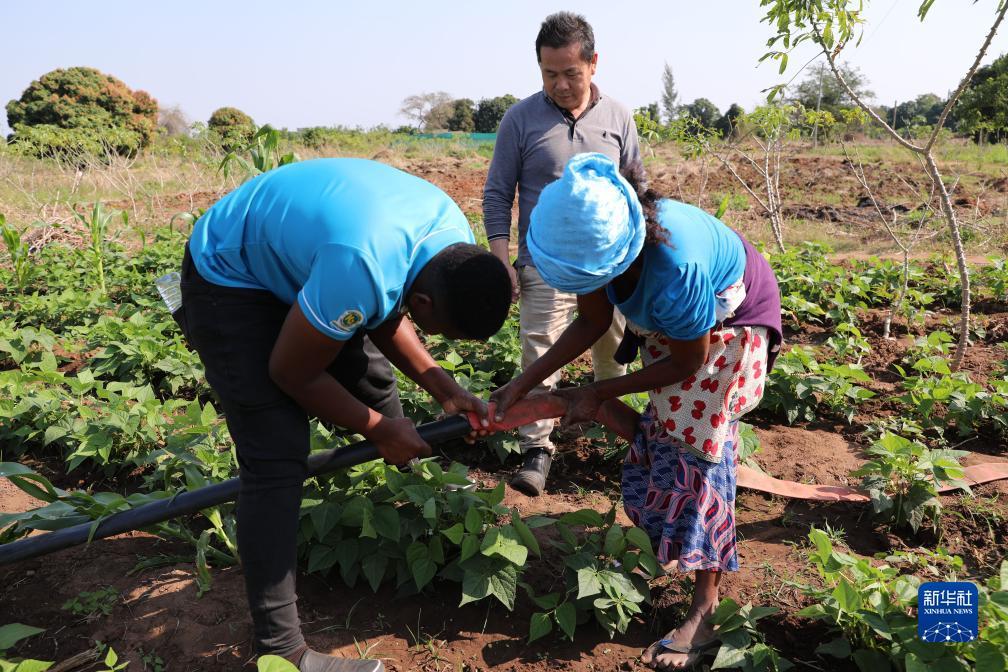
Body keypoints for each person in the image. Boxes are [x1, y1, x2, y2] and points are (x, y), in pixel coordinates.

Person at [178, 158, 511, 672]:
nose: (432, 336)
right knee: (276, 457)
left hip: (316, 257)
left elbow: (388, 308)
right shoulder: (361, 264)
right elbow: (292, 372)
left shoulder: (450, 243)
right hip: (230, 278)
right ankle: (280, 652)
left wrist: (445, 386)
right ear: (420, 301)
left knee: (373, 380)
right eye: (438, 329)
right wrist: (378, 430)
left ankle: (420, 494)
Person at [490, 153, 782, 671]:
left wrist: (601, 393)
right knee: (671, 425)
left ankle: (705, 608)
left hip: (728, 328)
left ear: (622, 251)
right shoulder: (599, 248)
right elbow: (589, 324)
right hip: (680, 327)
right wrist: (522, 383)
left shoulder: (676, 268)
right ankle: (625, 442)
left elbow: (690, 360)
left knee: (701, 453)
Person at [483, 11, 643, 497]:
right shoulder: (520, 118)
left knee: (612, 350)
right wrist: (500, 257)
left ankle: (618, 436)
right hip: (543, 260)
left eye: (571, 73)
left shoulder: (618, 116)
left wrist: (636, 265)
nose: (561, 85)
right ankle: (538, 447)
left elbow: (637, 189)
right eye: (550, 74)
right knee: (540, 347)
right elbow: (497, 193)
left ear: (594, 64)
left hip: (607, 262)